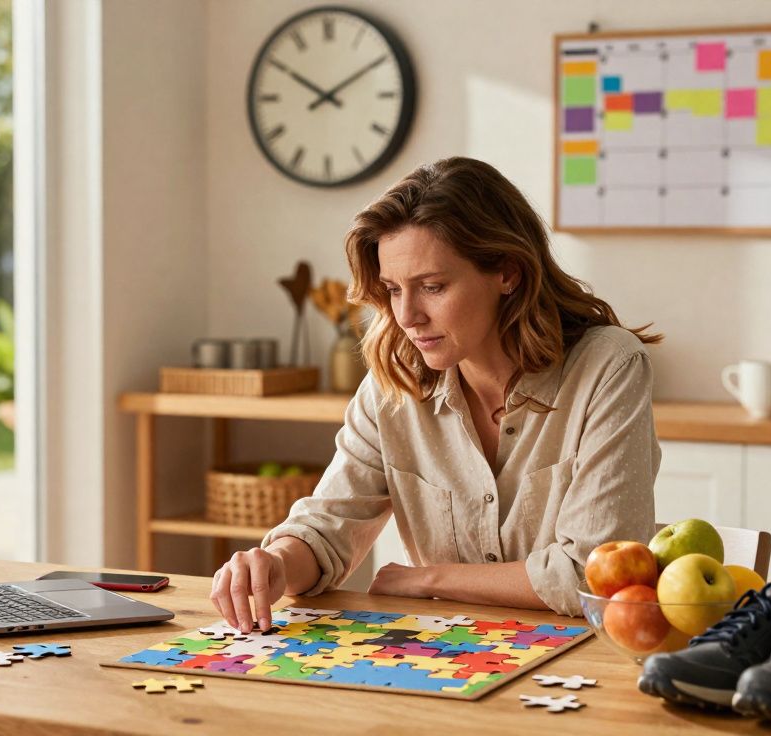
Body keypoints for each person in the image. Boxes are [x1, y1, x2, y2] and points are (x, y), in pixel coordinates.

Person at [211, 157, 662, 631]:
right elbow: (326, 531)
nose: (407, 316)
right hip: (445, 655)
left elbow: (594, 576)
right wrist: (276, 563)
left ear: (507, 273)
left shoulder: (608, 367)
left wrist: (430, 578)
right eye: (392, 289)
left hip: (580, 656)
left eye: (432, 286)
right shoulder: (394, 385)